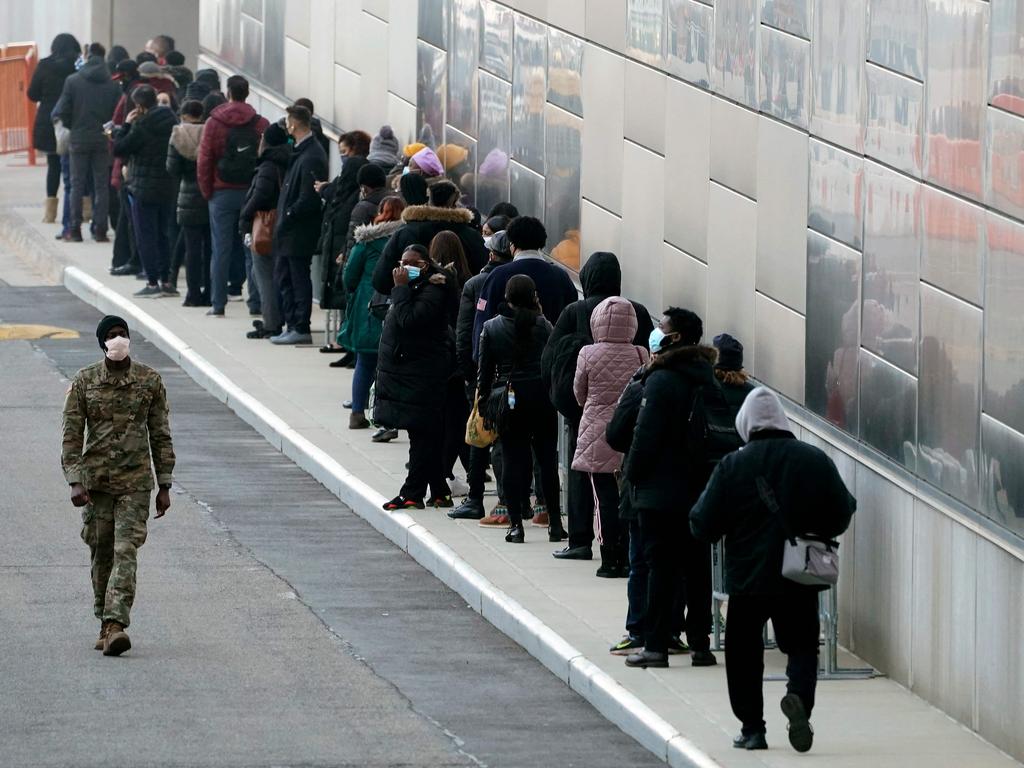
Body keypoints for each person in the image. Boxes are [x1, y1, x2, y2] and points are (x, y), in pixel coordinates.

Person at [690, 387, 855, 753]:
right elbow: (843, 510)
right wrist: (814, 532)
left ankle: (752, 729)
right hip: (800, 573)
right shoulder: (813, 459)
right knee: (802, 645)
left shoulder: (733, 464)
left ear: (745, 424)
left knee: (744, 650)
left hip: (748, 576)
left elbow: (702, 522)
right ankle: (798, 697)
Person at [61, 315, 176, 656]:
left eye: (122, 334)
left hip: (135, 482)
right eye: (111, 336)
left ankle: (116, 624)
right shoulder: (84, 382)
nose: (118, 340)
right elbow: (70, 436)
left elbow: (160, 433)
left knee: (126, 551)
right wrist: (75, 481)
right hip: (95, 485)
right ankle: (103, 620)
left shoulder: (149, 381)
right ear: (102, 343)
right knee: (102, 553)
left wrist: (165, 482)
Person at [622, 308, 719, 670]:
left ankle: (656, 645)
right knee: (697, 568)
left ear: (675, 338)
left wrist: (632, 475)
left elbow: (644, 437)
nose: (657, 332)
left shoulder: (661, 380)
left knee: (659, 567)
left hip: (660, 490)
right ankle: (700, 645)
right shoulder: (709, 378)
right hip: (701, 488)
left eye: (663, 327)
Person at [544, 252, 654, 561]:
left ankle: (581, 540)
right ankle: (624, 542)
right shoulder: (638, 311)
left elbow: (550, 359)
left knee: (585, 475)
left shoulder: (574, 312)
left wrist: (563, 398)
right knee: (626, 475)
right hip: (631, 415)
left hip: (585, 412)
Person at [476, 275, 567, 543]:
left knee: (513, 462)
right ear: (533, 296)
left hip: (508, 400)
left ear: (507, 297)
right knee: (547, 462)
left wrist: (483, 403)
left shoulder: (491, 328)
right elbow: (551, 362)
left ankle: (516, 525)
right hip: (540, 398)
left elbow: (485, 373)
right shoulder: (543, 325)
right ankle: (555, 524)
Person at [375, 245, 457, 510]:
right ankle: (440, 491)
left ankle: (412, 493)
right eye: (402, 262)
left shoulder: (434, 290)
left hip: (423, 372)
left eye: (412, 263)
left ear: (426, 265)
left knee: (421, 434)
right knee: (424, 433)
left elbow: (410, 320)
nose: (404, 267)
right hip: (410, 372)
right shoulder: (415, 289)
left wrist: (399, 289)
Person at [572, 296, 649, 577]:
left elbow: (579, 393)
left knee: (602, 497)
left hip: (596, 430)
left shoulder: (587, 353)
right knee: (627, 495)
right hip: (630, 432)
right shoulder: (641, 353)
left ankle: (609, 558)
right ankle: (628, 556)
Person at [449, 229, 513, 522]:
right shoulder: (520, 280)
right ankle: (516, 500)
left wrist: (468, 372)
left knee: (479, 434)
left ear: (490, 253)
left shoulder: (477, 283)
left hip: (484, 371)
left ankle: (476, 498)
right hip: (519, 374)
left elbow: (465, 332)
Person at [197, 75, 269, 317]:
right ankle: (256, 302)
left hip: (221, 192)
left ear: (228, 93)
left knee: (221, 249)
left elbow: (205, 159)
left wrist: (208, 191)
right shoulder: (260, 124)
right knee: (253, 246)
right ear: (247, 93)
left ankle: (218, 304)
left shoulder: (214, 123)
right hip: (252, 193)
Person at [339, 196, 406, 429]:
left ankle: (357, 412)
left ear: (380, 211)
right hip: (398, 303)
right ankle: (387, 418)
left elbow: (349, 277)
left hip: (368, 306)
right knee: (391, 365)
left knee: (365, 362)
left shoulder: (366, 241)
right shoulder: (406, 240)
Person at [472, 216, 577, 358]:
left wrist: (478, 359)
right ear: (541, 243)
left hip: (507, 364)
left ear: (512, 244)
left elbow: (483, 320)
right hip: (549, 363)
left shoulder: (498, 276)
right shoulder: (561, 277)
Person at [112, 84, 179, 298]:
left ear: (139, 105)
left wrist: (125, 125)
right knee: (164, 234)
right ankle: (167, 281)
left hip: (143, 188)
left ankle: (152, 282)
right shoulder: (172, 121)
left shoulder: (141, 125)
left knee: (145, 235)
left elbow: (120, 148)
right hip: (167, 186)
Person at [271, 104, 329, 345]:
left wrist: (289, 213)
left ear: (294, 124)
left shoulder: (311, 154)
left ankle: (300, 325)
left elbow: (308, 197)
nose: (286, 125)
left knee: (297, 277)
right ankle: (292, 324)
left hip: (299, 230)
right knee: (286, 276)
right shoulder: (302, 150)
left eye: (287, 121)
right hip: (291, 229)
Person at [52, 45, 120, 242]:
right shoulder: (112, 84)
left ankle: (74, 229)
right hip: (102, 139)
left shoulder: (73, 81)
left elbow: (62, 110)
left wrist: (74, 124)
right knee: (101, 185)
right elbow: (116, 114)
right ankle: (100, 229)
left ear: (87, 56)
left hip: (79, 138)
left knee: (76, 184)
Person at [373, 180, 488, 296]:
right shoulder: (471, 235)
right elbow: (483, 274)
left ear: (429, 200)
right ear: (454, 202)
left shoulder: (406, 232)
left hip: (413, 304)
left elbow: (381, 281)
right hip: (462, 304)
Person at [316, 130, 370, 356]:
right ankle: (345, 341)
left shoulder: (356, 195)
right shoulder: (353, 189)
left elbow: (348, 224)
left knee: (347, 295)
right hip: (341, 245)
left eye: (345, 152)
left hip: (344, 248)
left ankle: (347, 343)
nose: (342, 158)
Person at [239, 122, 291, 338]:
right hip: (281, 225)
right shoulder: (288, 159)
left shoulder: (268, 166)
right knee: (275, 276)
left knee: (264, 276)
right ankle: (276, 319)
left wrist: (244, 216)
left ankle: (271, 323)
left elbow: (260, 195)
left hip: (265, 224)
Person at [28, 33, 80, 223]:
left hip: (49, 120)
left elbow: (32, 94)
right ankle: (83, 210)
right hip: (73, 119)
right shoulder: (77, 67)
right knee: (77, 167)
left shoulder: (44, 66)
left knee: (54, 165)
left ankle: (50, 213)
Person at [166, 99, 211, 306]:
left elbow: (172, 168)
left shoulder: (177, 133)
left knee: (192, 248)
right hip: (209, 194)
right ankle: (210, 291)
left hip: (186, 195)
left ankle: (192, 293)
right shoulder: (210, 131)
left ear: (183, 114)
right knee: (211, 247)